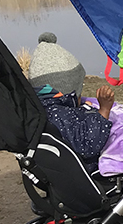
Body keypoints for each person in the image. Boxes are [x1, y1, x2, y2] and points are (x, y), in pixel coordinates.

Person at [28, 32, 115, 169]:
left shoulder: (46, 111)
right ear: (67, 91)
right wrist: (104, 110)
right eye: (78, 91)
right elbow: (88, 144)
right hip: (88, 172)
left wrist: (82, 109)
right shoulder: (60, 116)